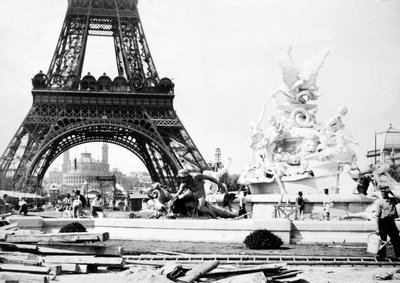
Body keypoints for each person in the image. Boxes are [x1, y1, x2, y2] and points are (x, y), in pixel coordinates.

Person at [373, 185, 400, 261]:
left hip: (391, 221)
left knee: (396, 239)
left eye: (385, 191)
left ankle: (398, 255)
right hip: (383, 222)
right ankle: (381, 256)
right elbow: (377, 216)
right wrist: (377, 228)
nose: (383, 193)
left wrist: (391, 192)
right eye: (382, 191)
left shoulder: (392, 200)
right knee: (382, 240)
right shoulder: (379, 202)